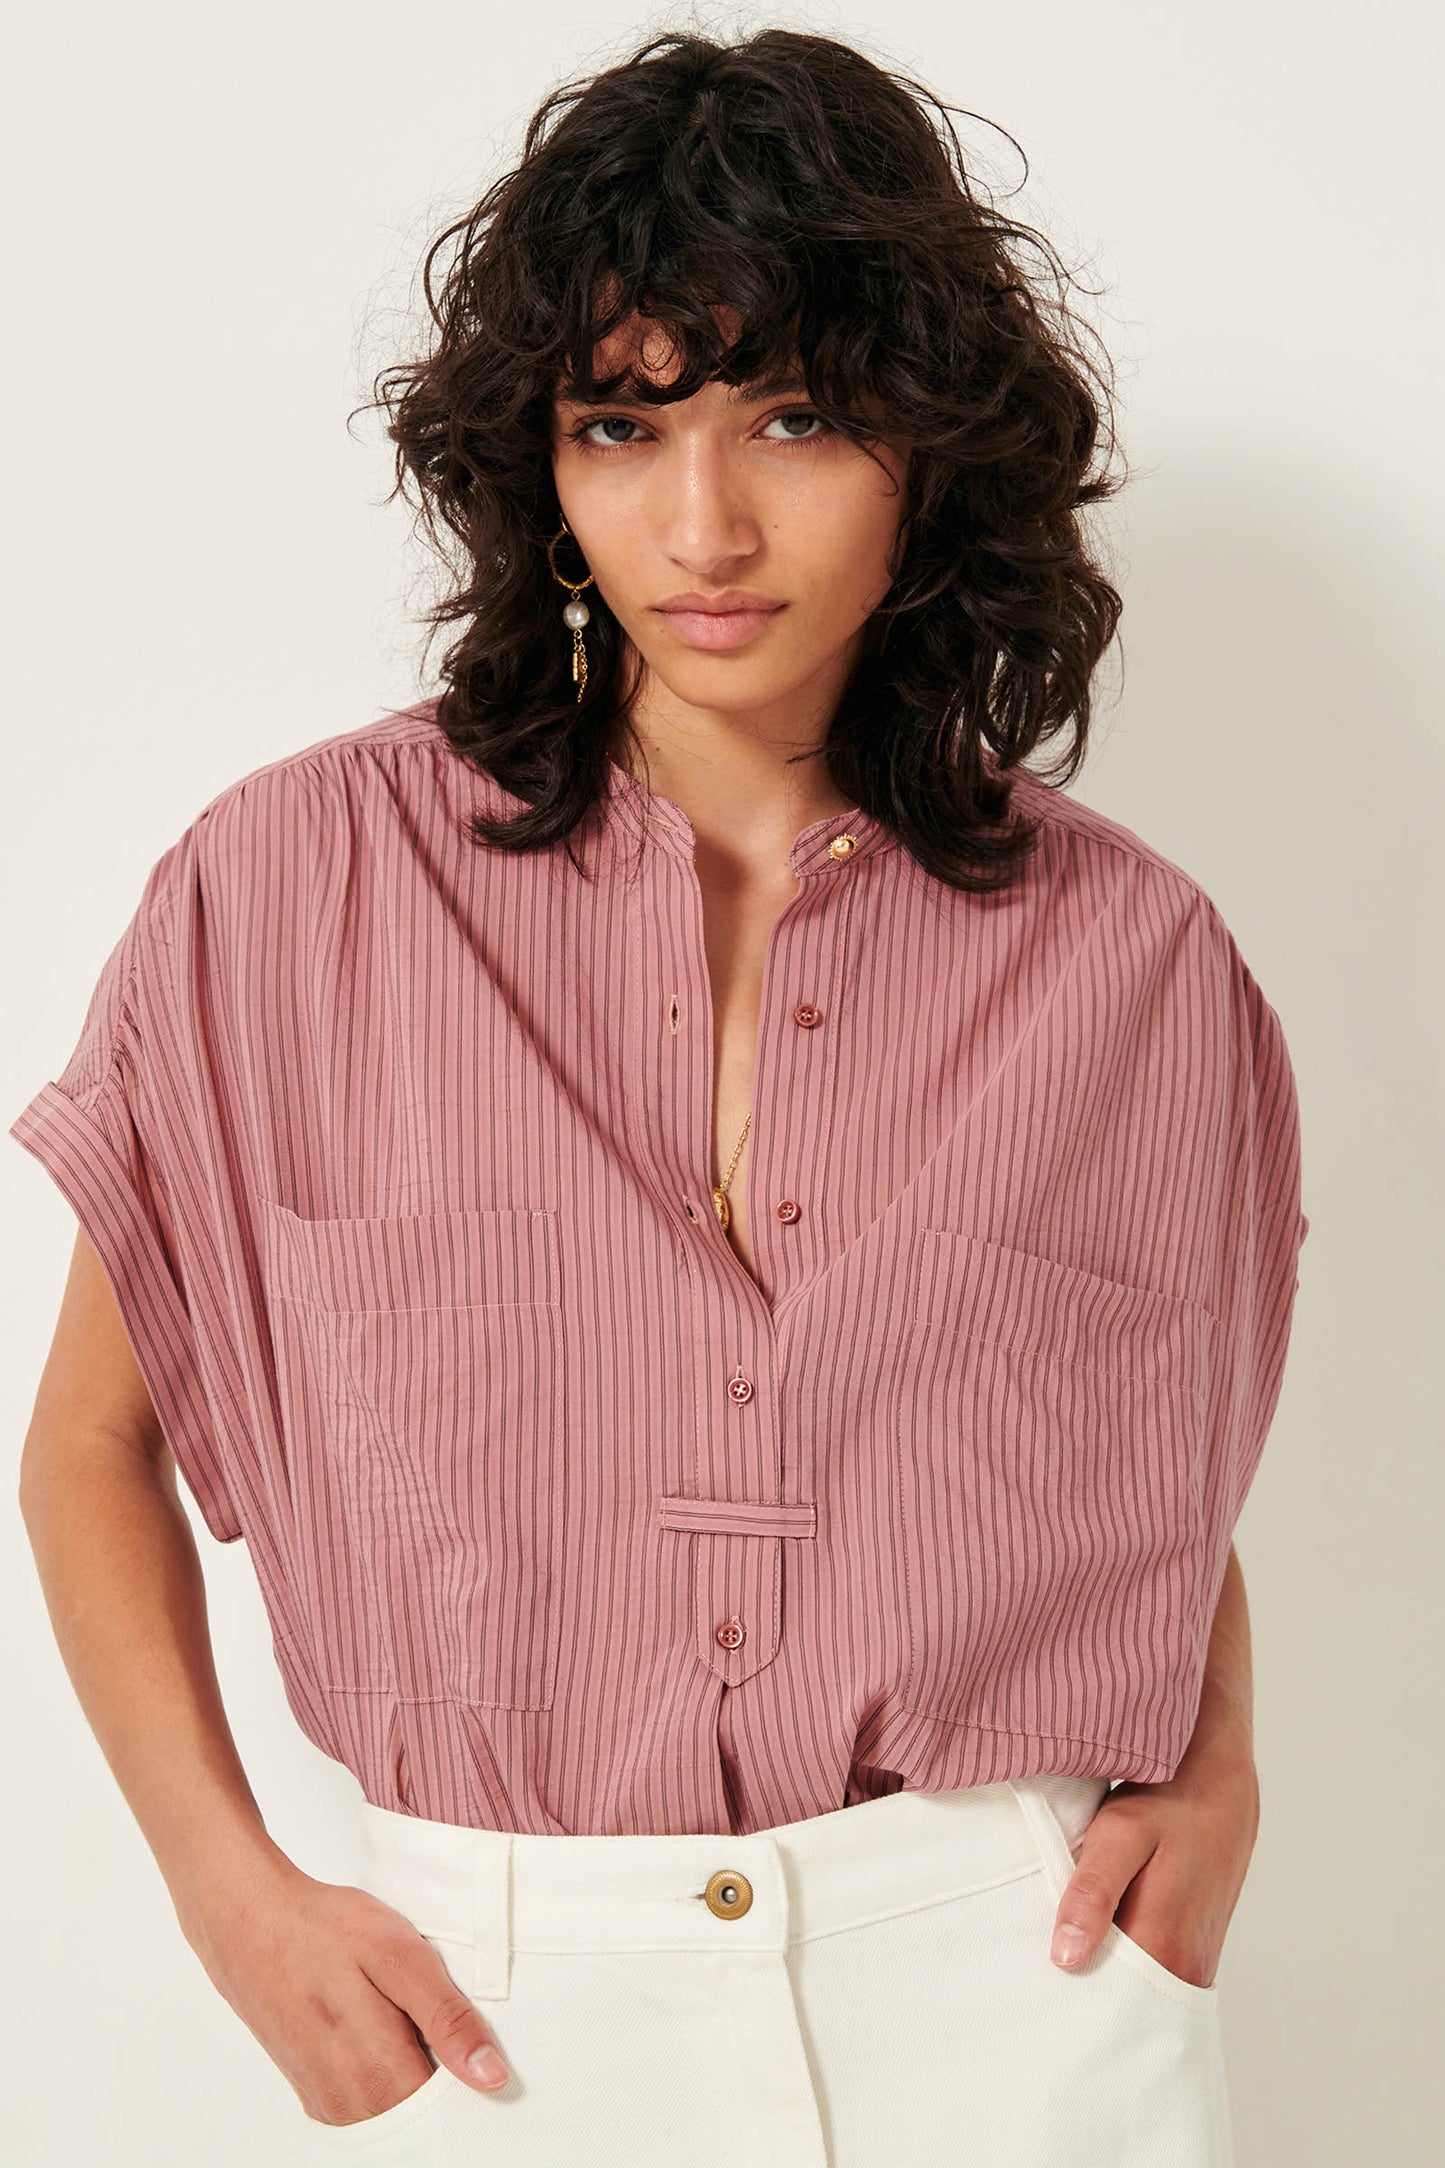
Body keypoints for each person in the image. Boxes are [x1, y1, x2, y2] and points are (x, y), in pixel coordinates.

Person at [10, 26, 1309, 2166]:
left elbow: (1142, 1484)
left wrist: (1229, 1756)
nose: (701, 523)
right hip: (494, 2014)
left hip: (1024, 1987)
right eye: (622, 423)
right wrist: (232, 1899)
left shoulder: (1139, 963)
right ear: (543, 459)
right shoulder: (287, 895)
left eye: (795, 417)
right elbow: (86, 1449)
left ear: (935, 453)